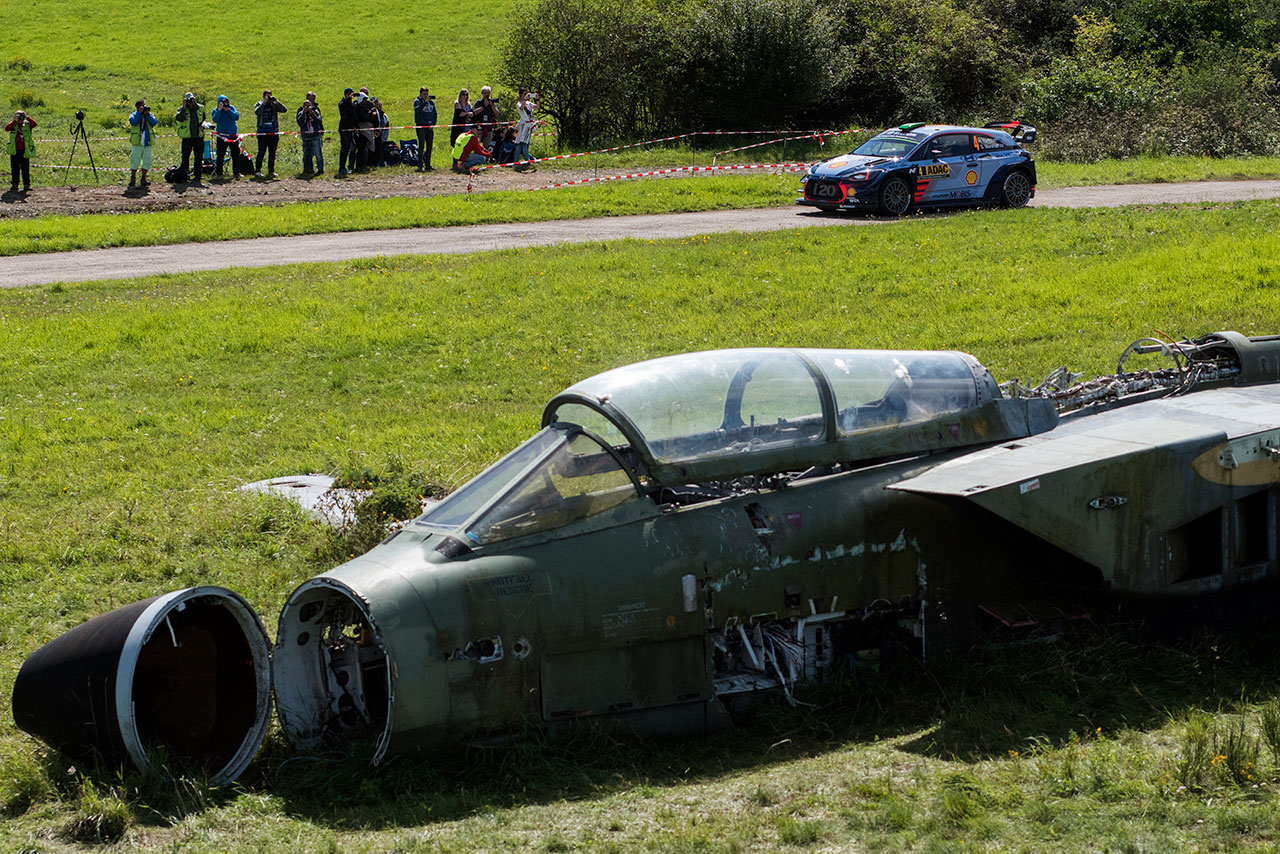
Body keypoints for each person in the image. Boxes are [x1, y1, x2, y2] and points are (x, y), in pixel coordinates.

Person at [253, 89, 287, 177]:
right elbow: (257, 112)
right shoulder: (259, 104)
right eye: (267, 95)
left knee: (272, 153)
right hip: (262, 133)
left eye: (270, 95)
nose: (269, 97)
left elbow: (284, 110)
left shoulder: (273, 105)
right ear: (263, 96)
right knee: (261, 152)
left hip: (273, 132)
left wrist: (276, 102)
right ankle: (257, 170)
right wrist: (264, 103)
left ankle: (271, 170)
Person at [174, 92, 206, 182]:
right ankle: (185, 175)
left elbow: (203, 118)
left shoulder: (200, 108)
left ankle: (198, 176)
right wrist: (184, 108)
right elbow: (179, 118)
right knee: (185, 157)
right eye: (188, 100)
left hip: (198, 136)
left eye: (191, 99)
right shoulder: (182, 109)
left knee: (199, 157)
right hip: (187, 137)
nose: (190, 102)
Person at [127, 99, 158, 187]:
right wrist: (139, 113)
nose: (144, 107)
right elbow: (133, 122)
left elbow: (154, 122)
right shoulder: (133, 115)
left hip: (147, 142)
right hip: (137, 142)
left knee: (147, 161)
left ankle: (144, 178)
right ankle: (132, 179)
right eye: (142, 106)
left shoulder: (149, 115)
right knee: (134, 161)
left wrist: (147, 115)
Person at [6, 110, 36, 193]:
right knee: (15, 168)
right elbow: (6, 128)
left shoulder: (27, 124)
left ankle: (26, 184)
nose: (20, 118)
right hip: (14, 150)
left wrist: (27, 117)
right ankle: (14, 184)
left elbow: (35, 124)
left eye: (21, 116)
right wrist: (14, 121)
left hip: (25, 150)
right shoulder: (13, 125)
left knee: (25, 168)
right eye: (19, 116)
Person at [211, 95, 240, 178]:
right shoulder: (216, 110)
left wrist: (228, 110)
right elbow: (215, 119)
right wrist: (219, 110)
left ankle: (236, 173)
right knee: (220, 155)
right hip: (221, 136)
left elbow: (236, 116)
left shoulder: (231, 108)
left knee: (235, 155)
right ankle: (219, 173)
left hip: (233, 135)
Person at [296, 92, 324, 175]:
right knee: (306, 154)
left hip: (315, 134)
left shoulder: (315, 110)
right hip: (306, 135)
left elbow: (319, 121)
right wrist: (304, 112)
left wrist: (313, 115)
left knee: (318, 153)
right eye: (306, 105)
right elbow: (299, 122)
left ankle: (320, 169)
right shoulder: (301, 111)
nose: (308, 107)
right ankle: (308, 169)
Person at [513, 88, 538, 171]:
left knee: (523, 144)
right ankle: (524, 161)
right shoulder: (519, 103)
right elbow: (521, 108)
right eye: (524, 94)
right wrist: (524, 99)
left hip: (528, 125)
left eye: (527, 94)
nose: (526, 95)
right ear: (520, 95)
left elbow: (537, 107)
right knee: (520, 144)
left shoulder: (529, 103)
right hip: (524, 125)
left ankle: (525, 161)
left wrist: (537, 99)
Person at [413, 86, 436, 171]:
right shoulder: (417, 102)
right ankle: (420, 165)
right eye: (424, 94)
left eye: (427, 94)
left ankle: (428, 164)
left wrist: (433, 124)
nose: (426, 96)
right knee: (421, 145)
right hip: (421, 126)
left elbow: (435, 113)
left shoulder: (431, 103)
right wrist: (424, 103)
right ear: (420, 94)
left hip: (429, 127)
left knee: (429, 146)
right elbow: (417, 111)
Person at [354, 92, 376, 173]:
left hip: (365, 130)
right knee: (361, 150)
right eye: (364, 99)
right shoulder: (358, 108)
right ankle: (359, 166)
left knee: (364, 150)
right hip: (362, 130)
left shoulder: (364, 107)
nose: (366, 101)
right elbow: (363, 118)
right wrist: (370, 113)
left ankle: (363, 165)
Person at [337, 87, 357, 176]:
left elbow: (353, 114)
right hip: (344, 129)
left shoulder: (351, 103)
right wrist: (347, 99)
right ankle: (341, 167)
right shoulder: (342, 103)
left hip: (351, 128)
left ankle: (349, 166)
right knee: (344, 149)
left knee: (349, 148)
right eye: (349, 94)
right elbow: (342, 109)